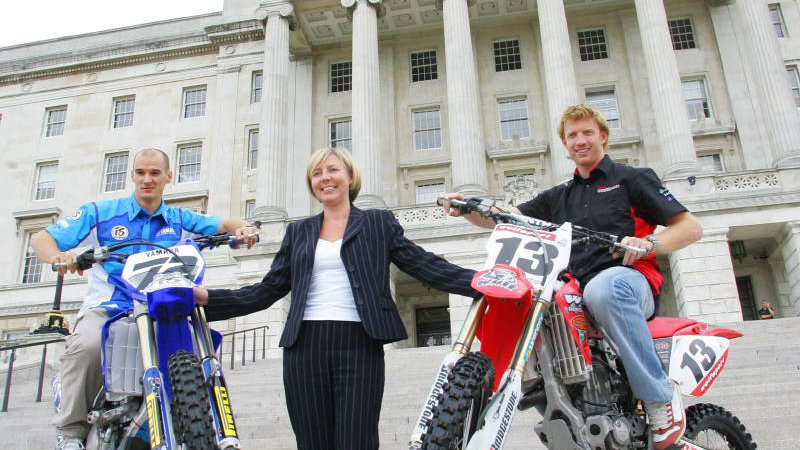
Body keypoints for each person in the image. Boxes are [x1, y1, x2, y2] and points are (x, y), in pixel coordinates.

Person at [440, 104, 703, 450]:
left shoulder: (632, 179)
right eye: (572, 135)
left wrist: (648, 244)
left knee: (604, 289)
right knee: (532, 303)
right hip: (576, 289)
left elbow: (690, 227)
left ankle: (658, 397)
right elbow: (506, 217)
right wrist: (468, 208)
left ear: (603, 136)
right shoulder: (559, 196)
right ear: (564, 144)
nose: (580, 140)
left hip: (628, 280)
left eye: (587, 132)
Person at [193, 147, 478, 450]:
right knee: (312, 443)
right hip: (304, 346)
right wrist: (209, 299)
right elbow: (268, 289)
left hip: (359, 342)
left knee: (357, 441)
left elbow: (422, 264)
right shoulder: (298, 231)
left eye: (332, 170)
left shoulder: (378, 223)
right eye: (316, 173)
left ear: (350, 177)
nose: (325, 178)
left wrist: (479, 282)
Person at [31, 148, 259, 450]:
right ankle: (70, 432)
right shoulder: (100, 213)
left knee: (196, 337)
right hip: (112, 308)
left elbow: (224, 224)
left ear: (168, 176)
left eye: (154, 173)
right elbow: (41, 238)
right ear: (132, 176)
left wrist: (242, 229)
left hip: (163, 306)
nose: (147, 179)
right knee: (88, 345)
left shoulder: (179, 218)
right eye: (140, 173)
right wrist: (58, 257)